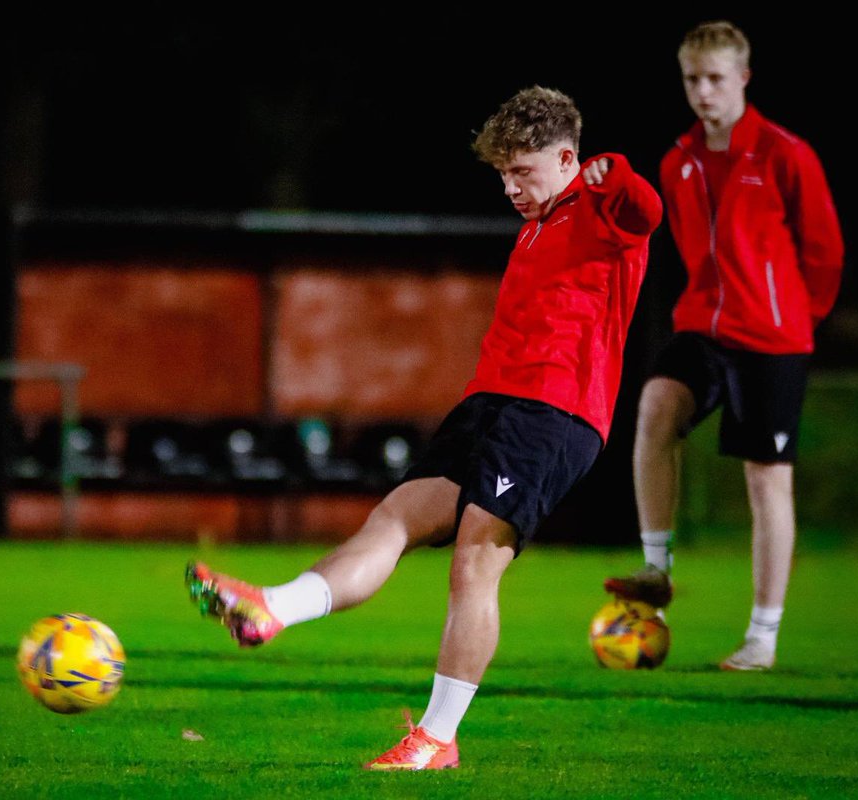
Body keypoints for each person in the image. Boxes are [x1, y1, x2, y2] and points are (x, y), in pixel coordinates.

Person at [187, 86, 662, 770]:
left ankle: (437, 738)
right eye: (502, 175)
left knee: (475, 561)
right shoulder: (536, 222)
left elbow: (648, 210)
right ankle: (274, 606)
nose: (510, 188)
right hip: (488, 404)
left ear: (566, 159)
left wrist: (613, 173)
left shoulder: (601, 208)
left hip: (554, 413)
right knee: (392, 519)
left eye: (522, 172)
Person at [604, 21, 844, 671]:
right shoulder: (677, 161)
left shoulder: (786, 154)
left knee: (766, 480)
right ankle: (656, 571)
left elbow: (824, 252)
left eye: (715, 78)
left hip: (772, 336)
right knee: (655, 408)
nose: (703, 91)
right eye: (692, 79)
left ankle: (762, 636)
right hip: (703, 328)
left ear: (743, 78)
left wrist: (794, 319)